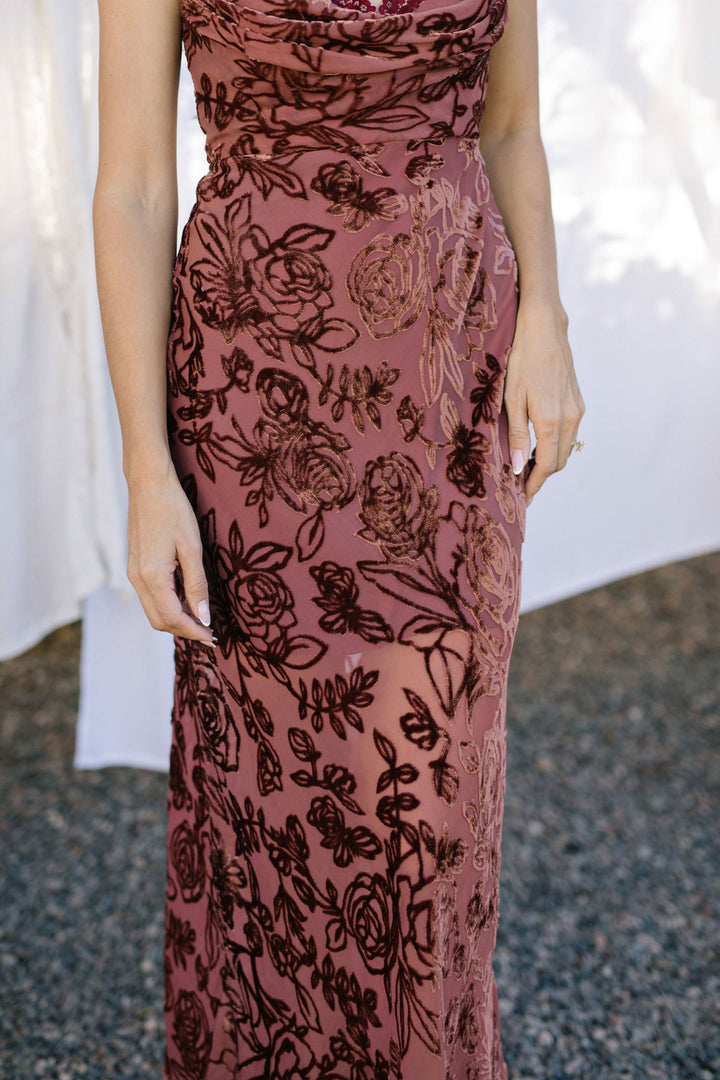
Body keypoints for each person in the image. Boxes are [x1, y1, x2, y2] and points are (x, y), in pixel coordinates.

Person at [93, 0, 584, 1075]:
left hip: (449, 385)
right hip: (257, 402)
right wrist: (143, 469)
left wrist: (545, 310)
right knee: (275, 801)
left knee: (433, 802)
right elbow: (131, 185)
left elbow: (509, 123)